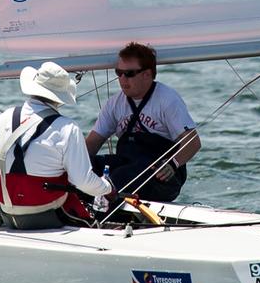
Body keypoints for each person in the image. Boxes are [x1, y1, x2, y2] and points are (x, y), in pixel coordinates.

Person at [0, 61, 113, 230]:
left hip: (7, 213)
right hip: (49, 213)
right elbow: (82, 181)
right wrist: (107, 189)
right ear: (60, 98)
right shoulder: (68, 128)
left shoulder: (1, 120)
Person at [85, 42, 200, 203]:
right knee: (86, 167)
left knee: (119, 177)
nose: (122, 79)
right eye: (119, 73)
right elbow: (92, 144)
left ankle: (105, 209)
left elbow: (193, 142)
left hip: (161, 175)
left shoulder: (167, 99)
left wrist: (172, 164)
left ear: (147, 74)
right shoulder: (115, 103)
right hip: (128, 164)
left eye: (129, 73)